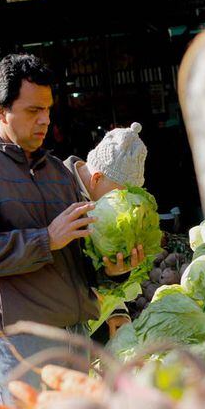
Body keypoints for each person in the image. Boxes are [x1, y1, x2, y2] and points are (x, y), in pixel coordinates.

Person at [0, 54, 141, 405]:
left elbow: (80, 256)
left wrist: (113, 273)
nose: (46, 120)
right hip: (17, 350)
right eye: (34, 110)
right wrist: (45, 239)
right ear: (1, 111)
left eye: (48, 110)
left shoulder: (57, 173)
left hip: (75, 339)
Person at [63, 121, 148, 337]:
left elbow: (100, 270)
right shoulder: (53, 195)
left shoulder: (104, 205)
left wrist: (118, 307)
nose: (123, 204)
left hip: (89, 328)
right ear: (96, 178)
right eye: (119, 195)